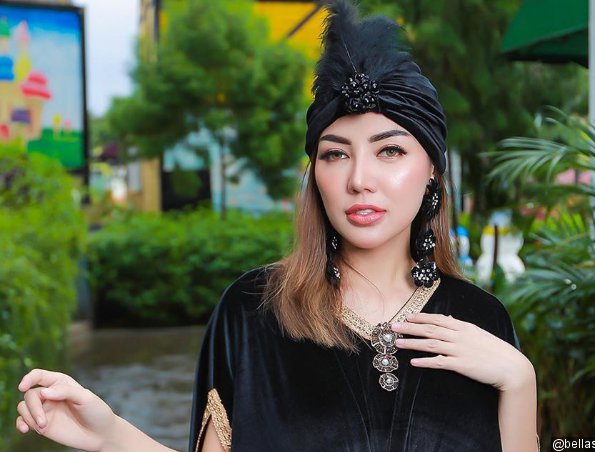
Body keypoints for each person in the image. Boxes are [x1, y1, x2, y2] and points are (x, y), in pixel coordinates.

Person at [15, 1, 538, 451]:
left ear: (431, 173)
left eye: (390, 151)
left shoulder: (482, 320)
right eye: (335, 154)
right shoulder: (251, 313)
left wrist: (520, 382)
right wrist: (110, 436)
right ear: (315, 176)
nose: (359, 179)